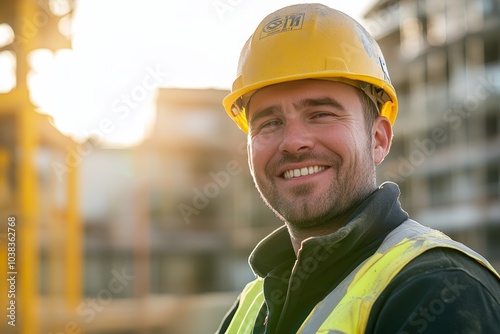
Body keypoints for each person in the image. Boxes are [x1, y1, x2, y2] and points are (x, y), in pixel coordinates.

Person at [216, 3, 500, 333]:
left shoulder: (440, 290)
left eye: (321, 114)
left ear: (378, 139)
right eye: (269, 122)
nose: (293, 142)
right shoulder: (251, 307)